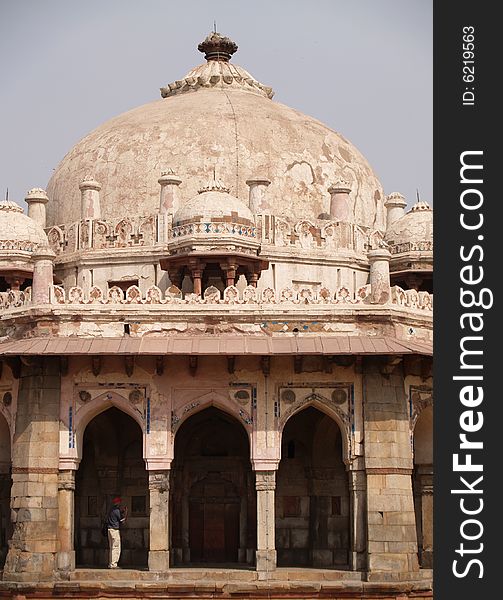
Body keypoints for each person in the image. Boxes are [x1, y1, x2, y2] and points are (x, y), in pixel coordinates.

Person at [106, 496, 127, 569]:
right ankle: (114, 564)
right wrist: (125, 515)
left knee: (112, 547)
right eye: (119, 502)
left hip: (109, 529)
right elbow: (121, 520)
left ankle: (110, 563)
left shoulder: (111, 510)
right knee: (116, 547)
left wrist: (122, 512)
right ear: (118, 502)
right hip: (114, 530)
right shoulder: (117, 511)